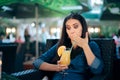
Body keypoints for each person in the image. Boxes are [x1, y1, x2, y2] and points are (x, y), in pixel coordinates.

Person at [33, 12, 104, 80]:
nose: (72, 31)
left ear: (83, 28)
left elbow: (97, 70)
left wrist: (85, 46)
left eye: (75, 27)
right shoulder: (61, 45)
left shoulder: (91, 45)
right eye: (68, 28)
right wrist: (56, 67)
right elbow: (37, 62)